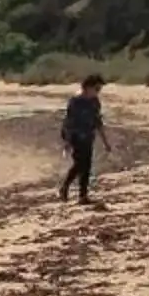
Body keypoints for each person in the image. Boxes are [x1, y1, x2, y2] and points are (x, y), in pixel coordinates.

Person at [58, 74, 114, 205]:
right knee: (80, 163)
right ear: (87, 87)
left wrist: (106, 142)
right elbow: (68, 122)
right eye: (97, 89)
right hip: (75, 136)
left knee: (86, 165)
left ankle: (82, 196)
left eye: (99, 89)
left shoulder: (95, 102)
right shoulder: (75, 101)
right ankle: (65, 187)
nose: (98, 92)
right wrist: (67, 142)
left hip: (88, 135)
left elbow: (98, 122)